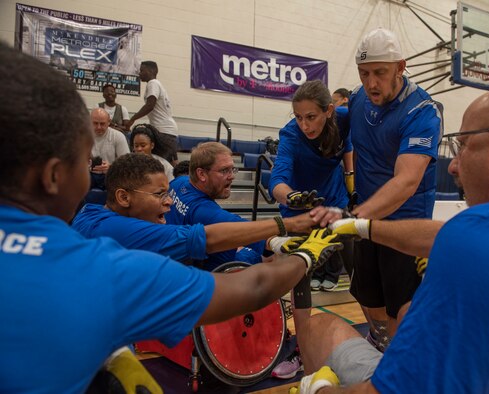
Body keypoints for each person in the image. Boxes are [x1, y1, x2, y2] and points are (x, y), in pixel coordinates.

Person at [0, 42, 343, 393]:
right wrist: (301, 249)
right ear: (54, 175)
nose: (167, 202)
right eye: (84, 161)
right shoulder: (104, 269)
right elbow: (249, 282)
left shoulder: (90, 215)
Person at [292, 79, 489, 393]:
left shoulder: (481, 241)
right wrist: (361, 226)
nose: (454, 166)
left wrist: (320, 388)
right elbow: (450, 235)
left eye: (463, 145)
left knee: (322, 327)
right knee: (407, 312)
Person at [315, 28, 442, 352]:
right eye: (364, 73)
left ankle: (397, 362)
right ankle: (383, 344)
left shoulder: (421, 111)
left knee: (400, 305)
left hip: (405, 224)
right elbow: (327, 123)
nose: (372, 83)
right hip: (369, 218)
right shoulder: (357, 99)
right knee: (367, 297)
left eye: (380, 73)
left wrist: (352, 216)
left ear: (400, 67)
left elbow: (406, 181)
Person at [72, 153, 316, 264]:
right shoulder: (120, 230)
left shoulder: (89, 213)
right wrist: (287, 225)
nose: (168, 201)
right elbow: (207, 237)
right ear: (124, 197)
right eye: (159, 195)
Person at [268, 80, 354, 379]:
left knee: (360, 278)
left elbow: (352, 146)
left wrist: (352, 182)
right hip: (299, 213)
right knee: (300, 287)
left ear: (329, 111)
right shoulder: (291, 135)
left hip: (335, 207)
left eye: (311, 116)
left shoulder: (345, 117)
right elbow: (276, 179)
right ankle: (302, 352)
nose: (304, 124)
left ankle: (378, 339)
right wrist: (291, 195)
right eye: (299, 116)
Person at [165, 142, 267, 270]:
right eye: (225, 170)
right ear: (201, 174)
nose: (232, 176)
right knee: (262, 257)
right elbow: (244, 229)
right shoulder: (202, 210)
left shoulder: (179, 182)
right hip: (203, 273)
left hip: (175, 261)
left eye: (232, 169)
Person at [127, 60, 179, 165]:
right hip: (167, 131)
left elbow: (150, 105)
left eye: (142, 70)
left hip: (163, 131)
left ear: (151, 71)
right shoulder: (158, 84)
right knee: (170, 164)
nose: (139, 73)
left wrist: (132, 119)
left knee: (160, 165)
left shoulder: (153, 83)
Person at [89, 107, 130, 175]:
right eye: (95, 123)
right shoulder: (81, 136)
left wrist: (111, 168)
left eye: (102, 124)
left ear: (109, 122)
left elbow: (127, 164)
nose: (99, 127)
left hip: (111, 176)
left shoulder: (118, 136)